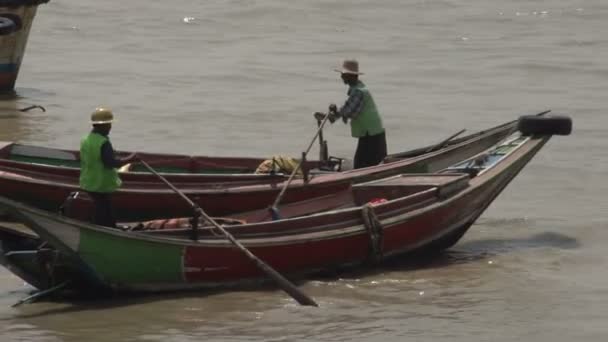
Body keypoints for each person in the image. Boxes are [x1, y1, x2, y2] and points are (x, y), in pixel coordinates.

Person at [79, 107, 137, 227]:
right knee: (105, 214)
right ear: (102, 126)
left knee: (97, 211)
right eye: (108, 125)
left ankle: (99, 228)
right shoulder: (103, 142)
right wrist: (131, 158)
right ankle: (106, 232)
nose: (110, 127)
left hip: (88, 181)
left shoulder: (85, 139)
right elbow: (111, 163)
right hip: (101, 184)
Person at [325, 59, 387, 169]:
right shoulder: (357, 88)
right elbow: (347, 107)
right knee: (368, 164)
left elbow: (351, 112)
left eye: (344, 75)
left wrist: (336, 113)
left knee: (363, 165)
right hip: (370, 132)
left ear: (352, 76)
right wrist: (335, 115)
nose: (341, 77)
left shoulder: (359, 91)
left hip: (372, 134)